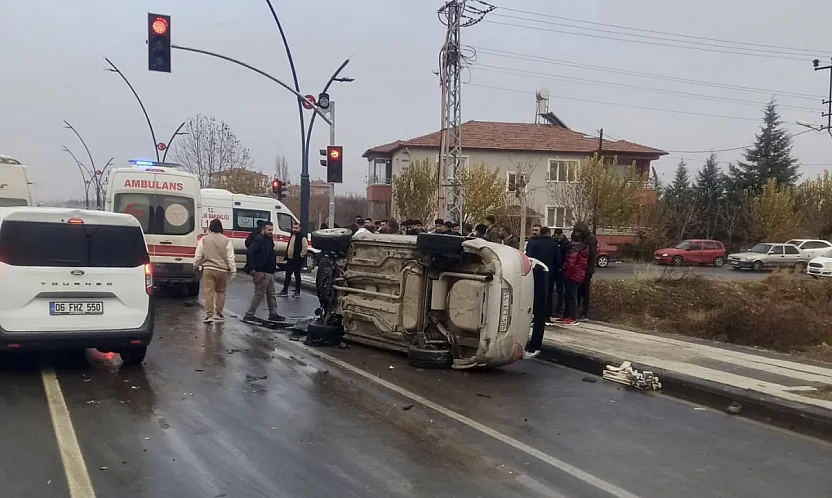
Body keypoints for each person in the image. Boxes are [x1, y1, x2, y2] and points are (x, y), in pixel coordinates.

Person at [523, 224, 558, 358]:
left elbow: (529, 258)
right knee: (546, 299)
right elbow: (558, 261)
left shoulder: (533, 243)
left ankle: (532, 318)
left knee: (532, 299)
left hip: (534, 275)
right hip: (548, 275)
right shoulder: (554, 245)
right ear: (549, 233)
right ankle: (545, 317)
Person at [194, 218, 236, 323]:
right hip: (222, 270)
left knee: (209, 292)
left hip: (208, 269)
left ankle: (209, 315)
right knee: (221, 292)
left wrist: (196, 265)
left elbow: (198, 255)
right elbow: (230, 257)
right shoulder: (227, 240)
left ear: (210, 228)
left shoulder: (204, 239)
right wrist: (233, 271)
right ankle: (219, 313)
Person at [244, 221, 283, 322]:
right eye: (269, 230)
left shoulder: (268, 239)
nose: (271, 232)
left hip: (269, 271)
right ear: (263, 229)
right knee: (259, 294)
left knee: (271, 293)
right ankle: (249, 314)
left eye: (271, 230)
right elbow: (249, 252)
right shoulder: (259, 239)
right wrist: (253, 268)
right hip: (261, 271)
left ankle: (273, 314)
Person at [561, 231, 588, 326]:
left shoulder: (573, 249)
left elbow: (571, 264)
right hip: (579, 274)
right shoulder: (584, 248)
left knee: (571, 297)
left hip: (572, 275)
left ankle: (573, 317)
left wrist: (566, 275)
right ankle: (569, 316)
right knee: (572, 296)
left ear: (571, 238)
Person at [573, 222, 598, 319]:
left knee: (584, 290)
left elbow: (591, 254)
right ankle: (577, 309)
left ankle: (584, 311)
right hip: (580, 268)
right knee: (578, 290)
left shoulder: (591, 239)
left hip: (587, 269)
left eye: (578, 232)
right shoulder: (583, 239)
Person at [278, 222, 307, 298]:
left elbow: (305, 247)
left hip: (297, 260)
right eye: (293, 228)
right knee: (288, 275)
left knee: (297, 276)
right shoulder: (292, 235)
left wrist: (301, 255)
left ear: (300, 228)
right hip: (290, 259)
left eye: (296, 228)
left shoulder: (302, 237)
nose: (294, 229)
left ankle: (297, 292)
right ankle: (285, 291)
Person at [550, 228, 568, 320]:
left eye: (559, 238)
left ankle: (559, 309)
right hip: (553, 268)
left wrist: (562, 267)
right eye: (557, 238)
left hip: (561, 269)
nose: (558, 239)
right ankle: (551, 309)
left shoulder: (566, 243)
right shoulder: (552, 242)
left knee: (560, 289)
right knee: (551, 289)